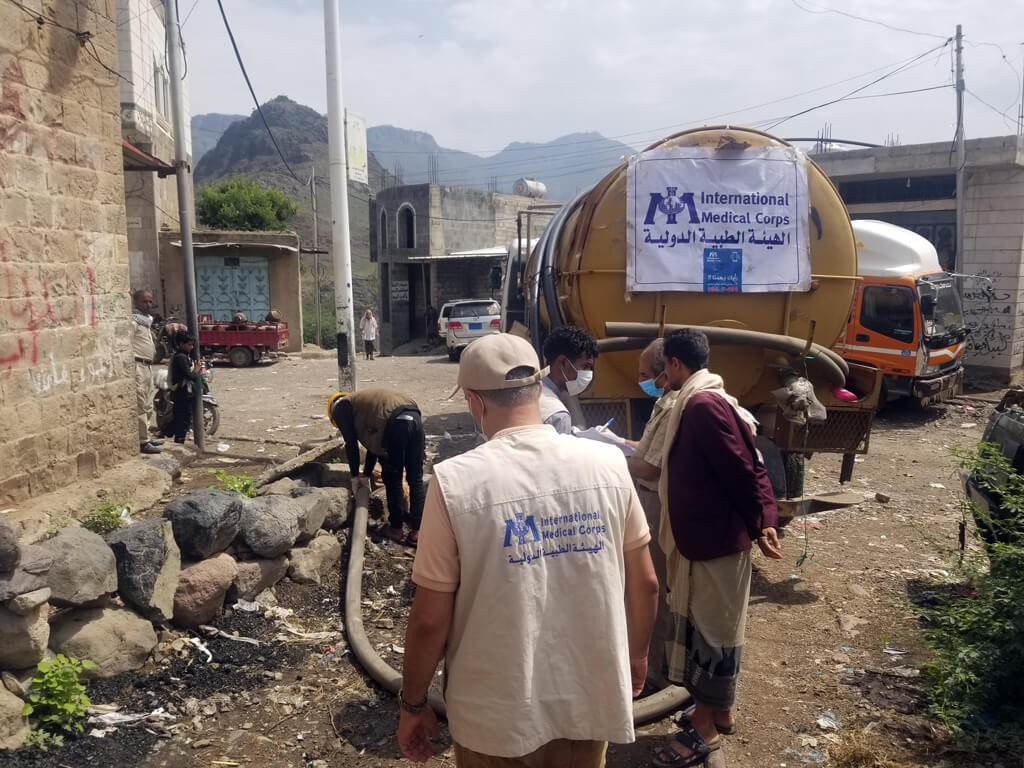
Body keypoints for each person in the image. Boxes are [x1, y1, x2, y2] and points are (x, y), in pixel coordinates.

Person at [397, 333, 659, 767]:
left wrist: (412, 703)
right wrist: (635, 656)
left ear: (475, 402)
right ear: (539, 388)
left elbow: (429, 621)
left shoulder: (454, 482)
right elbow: (646, 584)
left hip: (495, 714)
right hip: (589, 697)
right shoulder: (608, 464)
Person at [653, 329, 782, 768]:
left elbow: (745, 468)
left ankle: (704, 730)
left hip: (713, 544)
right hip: (704, 540)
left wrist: (762, 521)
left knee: (712, 637)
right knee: (707, 629)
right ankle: (718, 710)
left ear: (675, 364)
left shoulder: (702, 405)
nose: (659, 378)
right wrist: (762, 519)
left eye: (662, 368)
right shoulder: (700, 400)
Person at [626, 338, 676, 691]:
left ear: (666, 373)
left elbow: (649, 468)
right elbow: (645, 452)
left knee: (651, 585)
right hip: (648, 499)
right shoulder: (663, 401)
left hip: (655, 502)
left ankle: (655, 672)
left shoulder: (673, 407)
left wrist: (609, 458)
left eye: (646, 374)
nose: (641, 380)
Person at [329, 388, 425, 545]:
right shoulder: (369, 406)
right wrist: (366, 474)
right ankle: (418, 531)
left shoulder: (340, 408)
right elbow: (373, 446)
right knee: (415, 478)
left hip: (398, 423)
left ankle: (396, 529)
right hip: (415, 417)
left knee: (392, 477)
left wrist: (354, 477)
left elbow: (351, 445)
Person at [539, 324, 598, 434]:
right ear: (562, 362)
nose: (589, 374)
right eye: (585, 366)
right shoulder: (558, 417)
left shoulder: (531, 391)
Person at [131, 289, 162, 455]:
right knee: (141, 404)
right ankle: (143, 441)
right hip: (138, 367)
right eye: (144, 302)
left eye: (150, 301)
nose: (148, 305)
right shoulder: (134, 322)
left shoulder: (146, 321)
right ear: (136, 303)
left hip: (148, 366)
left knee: (149, 404)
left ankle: (147, 436)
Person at [168, 331, 199, 444]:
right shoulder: (181, 357)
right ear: (181, 344)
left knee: (183, 418)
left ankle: (178, 439)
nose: (191, 347)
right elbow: (189, 375)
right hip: (182, 393)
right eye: (189, 344)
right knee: (183, 419)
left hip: (183, 392)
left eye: (192, 345)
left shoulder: (184, 356)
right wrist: (196, 370)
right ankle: (179, 442)